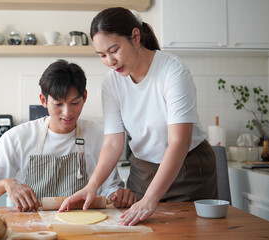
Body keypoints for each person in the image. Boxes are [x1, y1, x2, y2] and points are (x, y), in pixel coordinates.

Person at [59, 7, 218, 225]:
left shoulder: (172, 71)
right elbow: (114, 143)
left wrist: (150, 199)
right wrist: (92, 185)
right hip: (143, 170)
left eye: (114, 50)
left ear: (135, 37)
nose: (110, 61)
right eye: (102, 55)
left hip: (187, 169)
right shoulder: (111, 83)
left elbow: (180, 141)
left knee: (186, 231)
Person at [0, 59, 137, 211]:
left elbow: (109, 187)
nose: (67, 112)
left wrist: (118, 195)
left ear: (84, 97)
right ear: (43, 100)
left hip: (83, 227)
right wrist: (6, 184)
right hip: (32, 230)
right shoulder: (16, 138)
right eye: (58, 104)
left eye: (75, 103)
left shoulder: (99, 135)